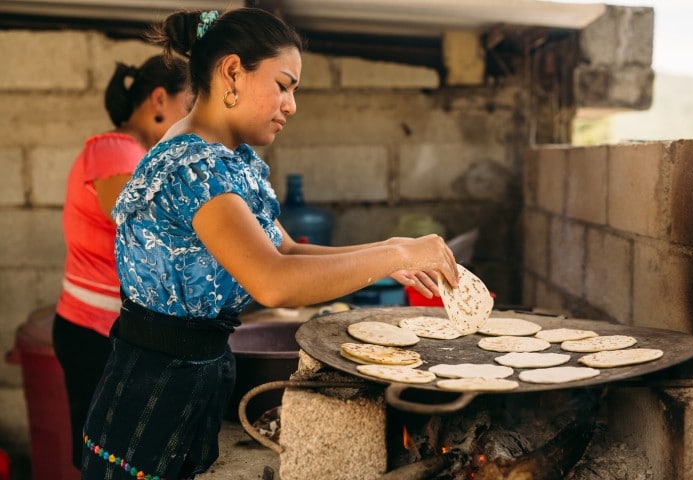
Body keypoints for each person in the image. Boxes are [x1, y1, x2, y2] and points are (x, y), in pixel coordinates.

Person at [81, 7, 458, 479]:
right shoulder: (194, 167)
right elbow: (274, 282)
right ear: (232, 72)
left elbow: (285, 252)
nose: (291, 105)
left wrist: (387, 250)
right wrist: (398, 253)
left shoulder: (230, 161)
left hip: (194, 380)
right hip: (153, 396)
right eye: (283, 85)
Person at [51, 54, 191, 470]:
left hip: (107, 332)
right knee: (107, 461)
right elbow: (141, 229)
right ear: (160, 99)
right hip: (92, 334)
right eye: (189, 107)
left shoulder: (139, 157)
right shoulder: (115, 149)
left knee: (115, 460)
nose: (192, 122)